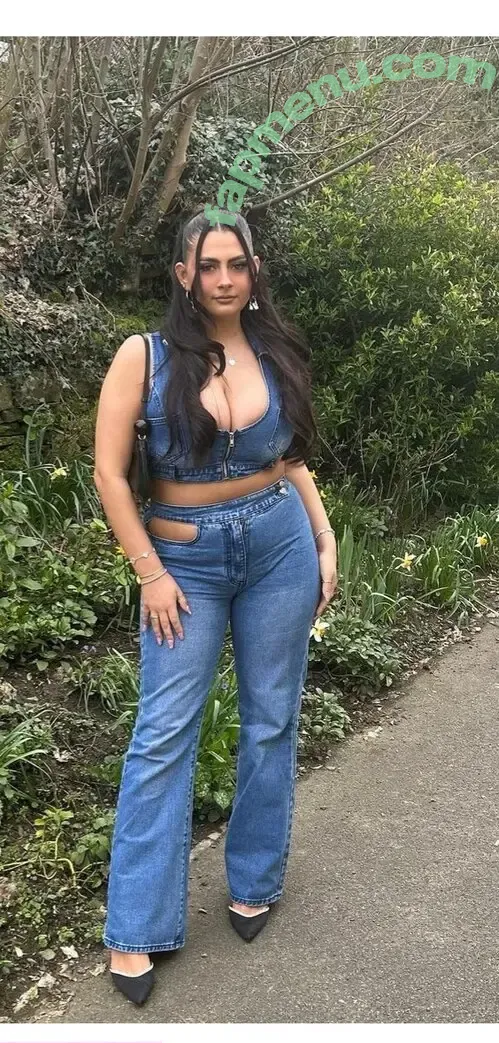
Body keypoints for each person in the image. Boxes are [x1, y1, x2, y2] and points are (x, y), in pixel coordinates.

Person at [93, 209, 338, 1005]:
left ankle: (255, 877)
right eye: (209, 266)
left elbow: (288, 458)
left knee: (271, 716)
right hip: (183, 562)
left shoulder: (272, 348)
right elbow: (109, 474)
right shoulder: (145, 355)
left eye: (237, 264)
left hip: (279, 548)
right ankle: (135, 925)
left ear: (253, 270)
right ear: (183, 275)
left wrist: (323, 536)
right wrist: (149, 571)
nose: (224, 279)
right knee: (164, 733)